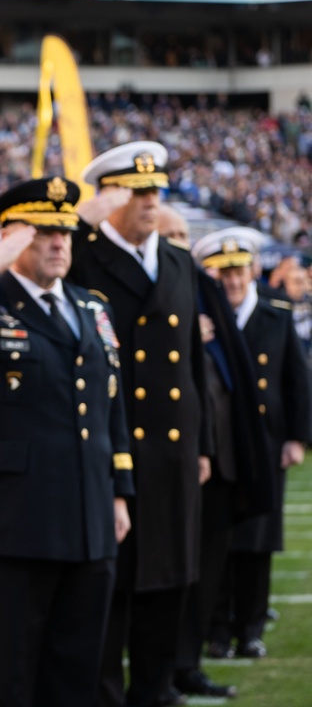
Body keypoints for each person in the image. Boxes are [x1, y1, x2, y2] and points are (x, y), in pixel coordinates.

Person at [0, 177, 133, 707]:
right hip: (14, 523)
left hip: (89, 517)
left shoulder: (91, 307)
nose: (59, 244)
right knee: (11, 678)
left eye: (65, 234)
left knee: (77, 674)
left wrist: (119, 489)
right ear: (10, 239)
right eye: (42, 234)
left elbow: (111, 402)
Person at [69, 141, 212, 707]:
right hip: (114, 449)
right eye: (138, 191)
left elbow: (193, 364)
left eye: (156, 191)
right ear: (112, 197)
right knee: (113, 589)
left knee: (169, 583)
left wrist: (205, 446)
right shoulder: (84, 257)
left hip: (175, 451)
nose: (151, 202)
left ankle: (155, 692)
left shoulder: (179, 260)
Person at [162, 213, 271, 699]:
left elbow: (237, 382)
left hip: (223, 461)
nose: (180, 247)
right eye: (172, 238)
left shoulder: (206, 294)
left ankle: (188, 663)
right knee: (171, 575)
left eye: (185, 237)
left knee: (206, 574)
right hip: (180, 461)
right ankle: (162, 670)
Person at [195, 228, 312, 660]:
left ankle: (251, 628)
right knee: (221, 543)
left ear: (254, 270)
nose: (233, 279)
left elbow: (297, 381)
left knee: (259, 542)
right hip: (223, 444)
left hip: (265, 444)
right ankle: (219, 631)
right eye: (224, 271)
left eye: (240, 270)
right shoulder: (202, 317)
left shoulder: (276, 313)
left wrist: (297, 438)